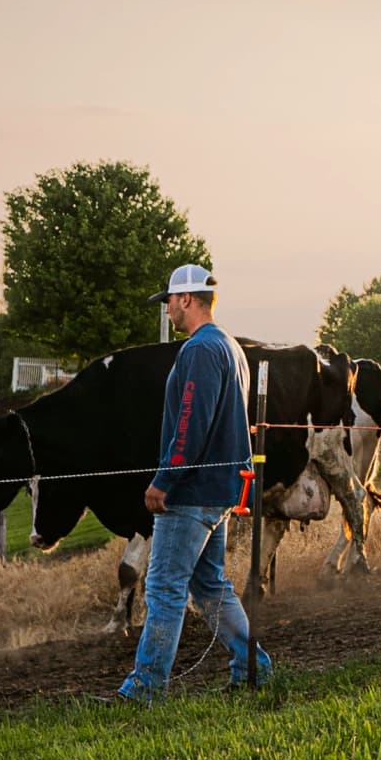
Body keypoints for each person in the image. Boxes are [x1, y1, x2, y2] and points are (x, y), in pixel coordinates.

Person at [112, 263, 273, 703]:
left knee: (163, 586)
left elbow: (191, 423)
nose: (166, 310)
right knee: (209, 586)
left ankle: (146, 688)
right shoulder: (230, 347)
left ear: (186, 299)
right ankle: (254, 666)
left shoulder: (200, 350)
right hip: (220, 489)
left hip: (192, 492)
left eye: (168, 301)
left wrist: (164, 480)